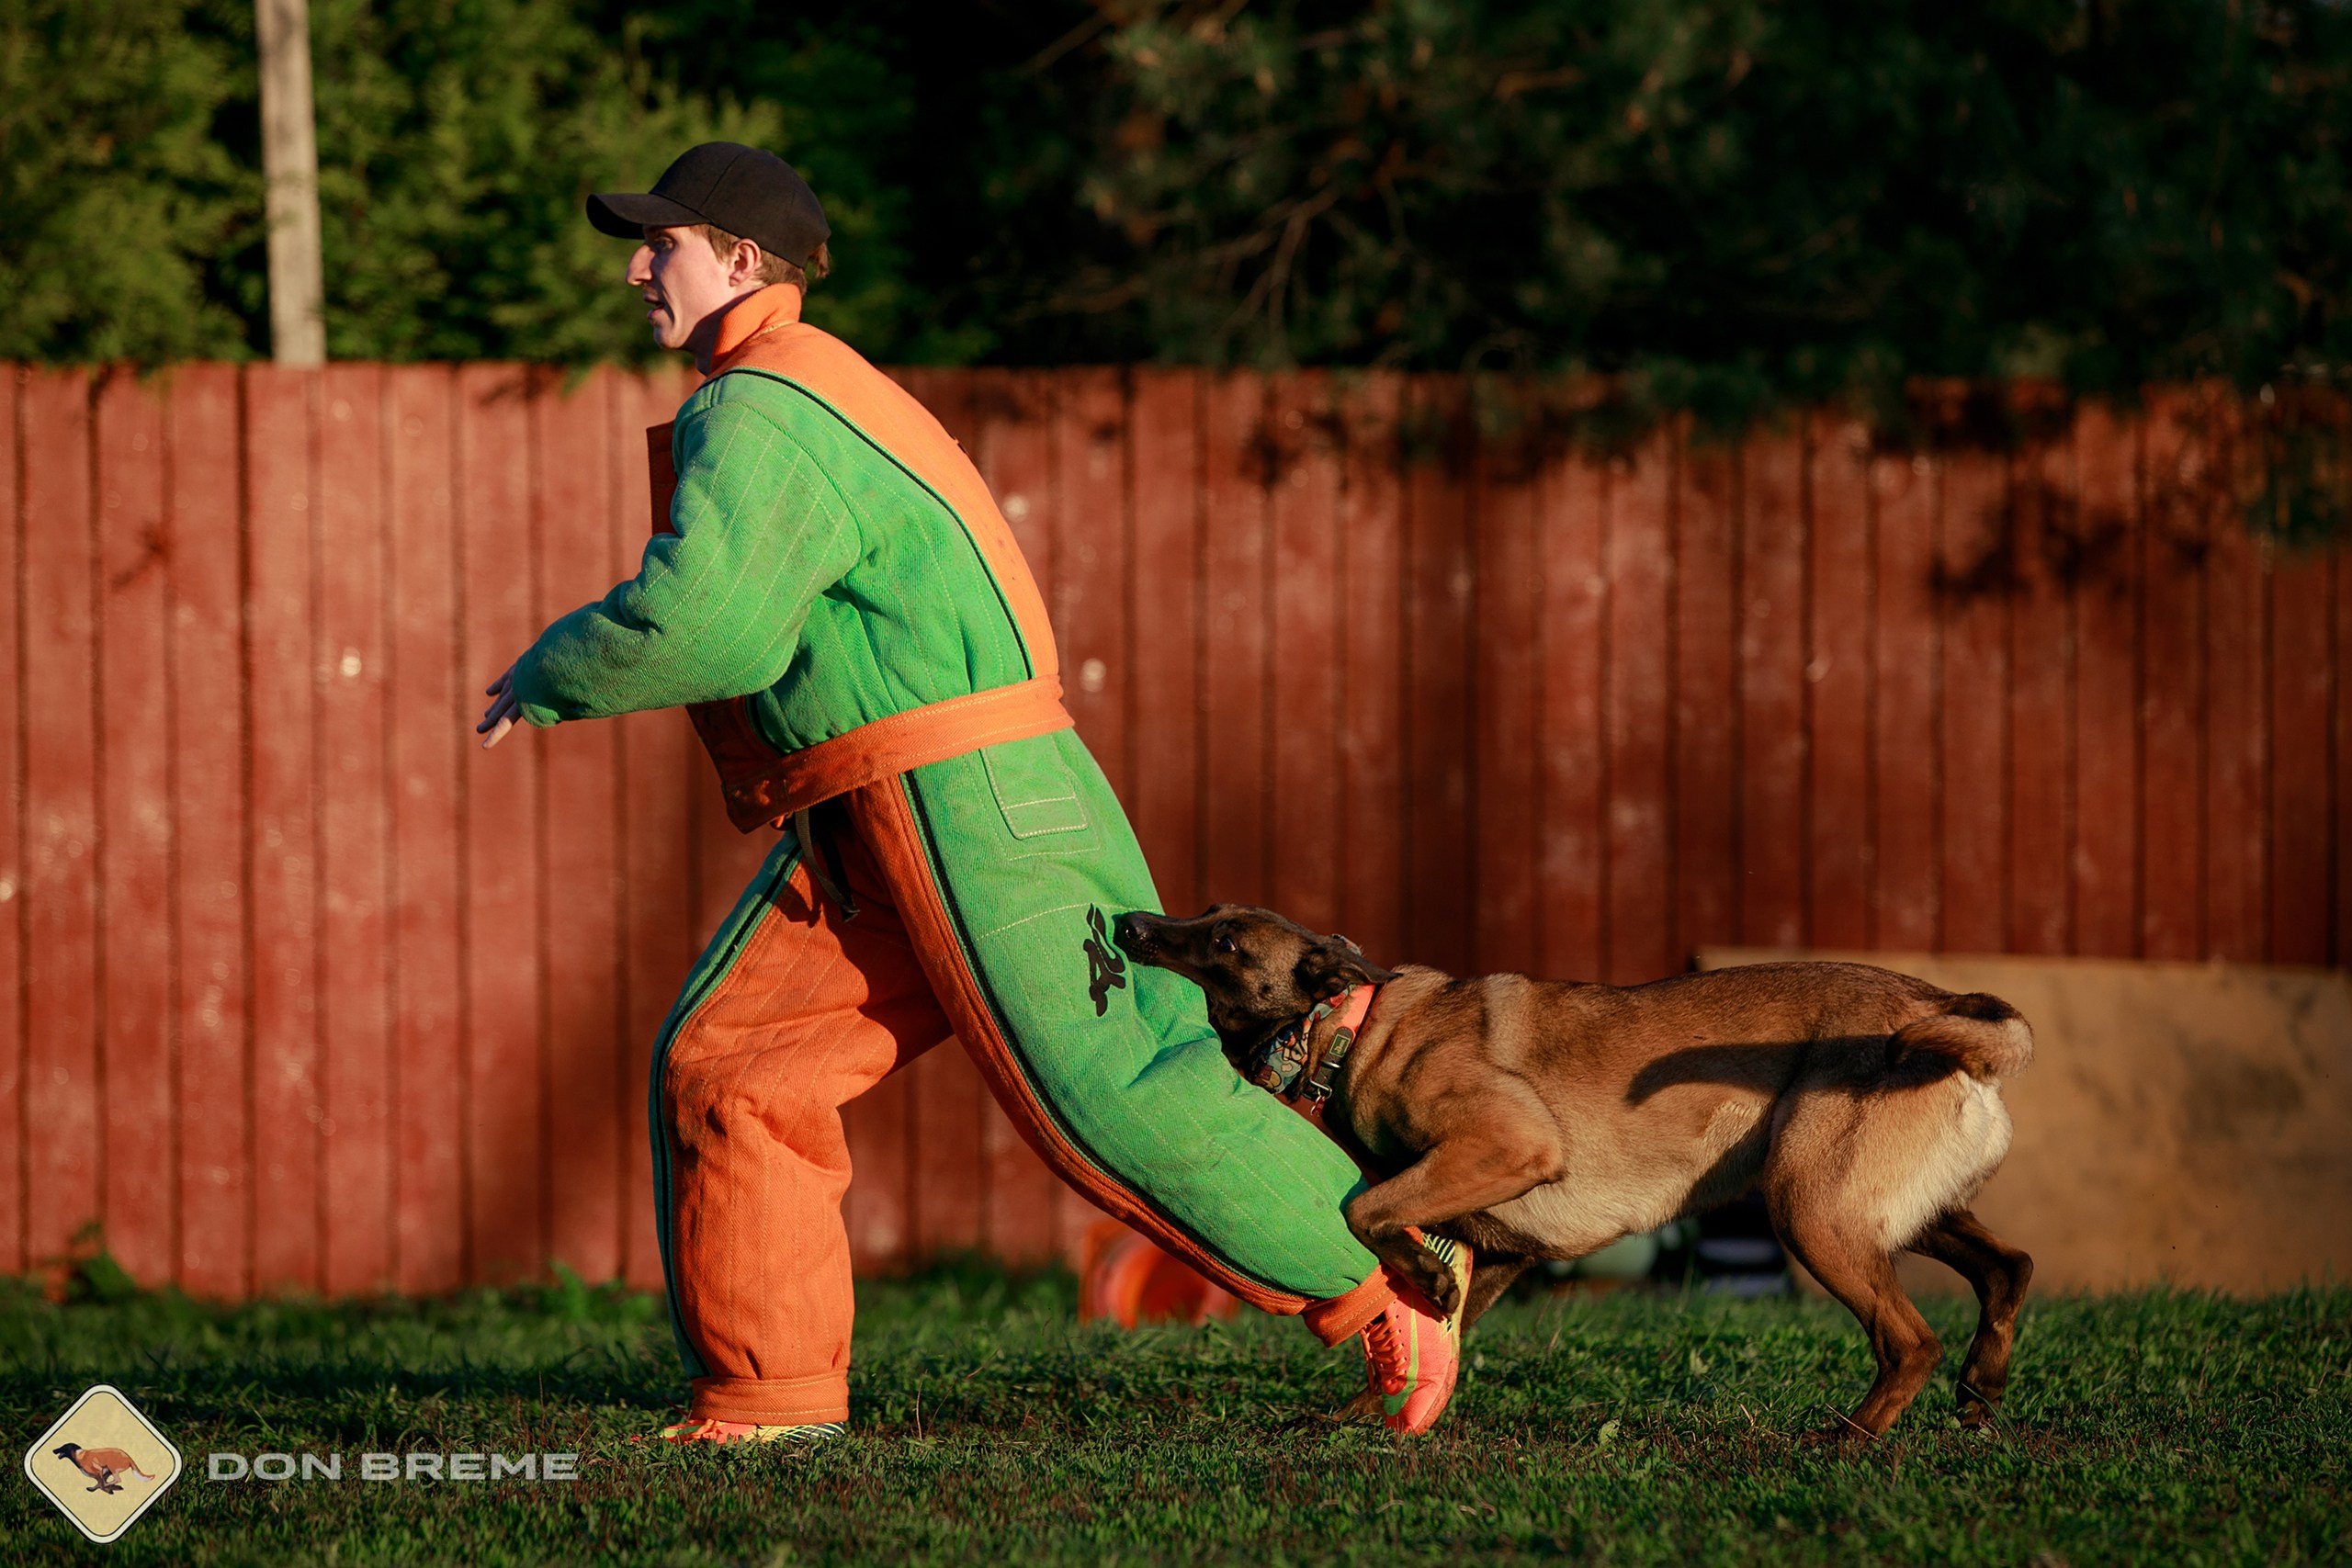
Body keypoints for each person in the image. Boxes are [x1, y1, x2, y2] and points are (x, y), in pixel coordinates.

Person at [476, 141, 1469, 1443]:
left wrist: (550, 671)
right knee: (736, 1069)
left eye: (658, 245)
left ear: (735, 258)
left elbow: (712, 623)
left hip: (959, 795)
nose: (633, 269)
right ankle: (768, 1397)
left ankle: (1393, 1281)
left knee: (1108, 1094)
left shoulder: (766, 402)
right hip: (886, 800)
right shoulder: (796, 387)